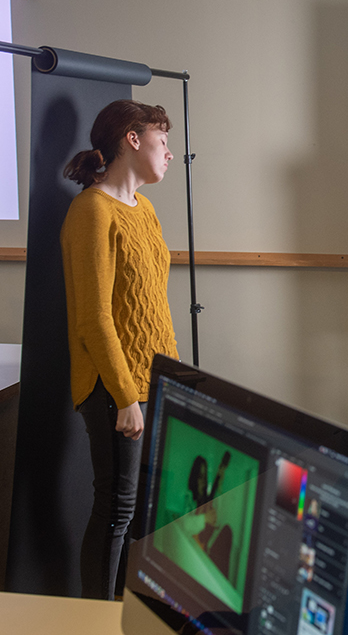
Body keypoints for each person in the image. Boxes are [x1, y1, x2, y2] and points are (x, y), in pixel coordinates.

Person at [61, 99, 179, 599]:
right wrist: (127, 396)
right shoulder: (91, 211)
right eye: (163, 140)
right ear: (133, 139)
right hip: (117, 390)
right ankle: (97, 621)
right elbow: (94, 319)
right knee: (117, 508)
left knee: (146, 512)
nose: (170, 153)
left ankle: (130, 612)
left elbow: (151, 303)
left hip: (155, 384)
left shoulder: (145, 208)